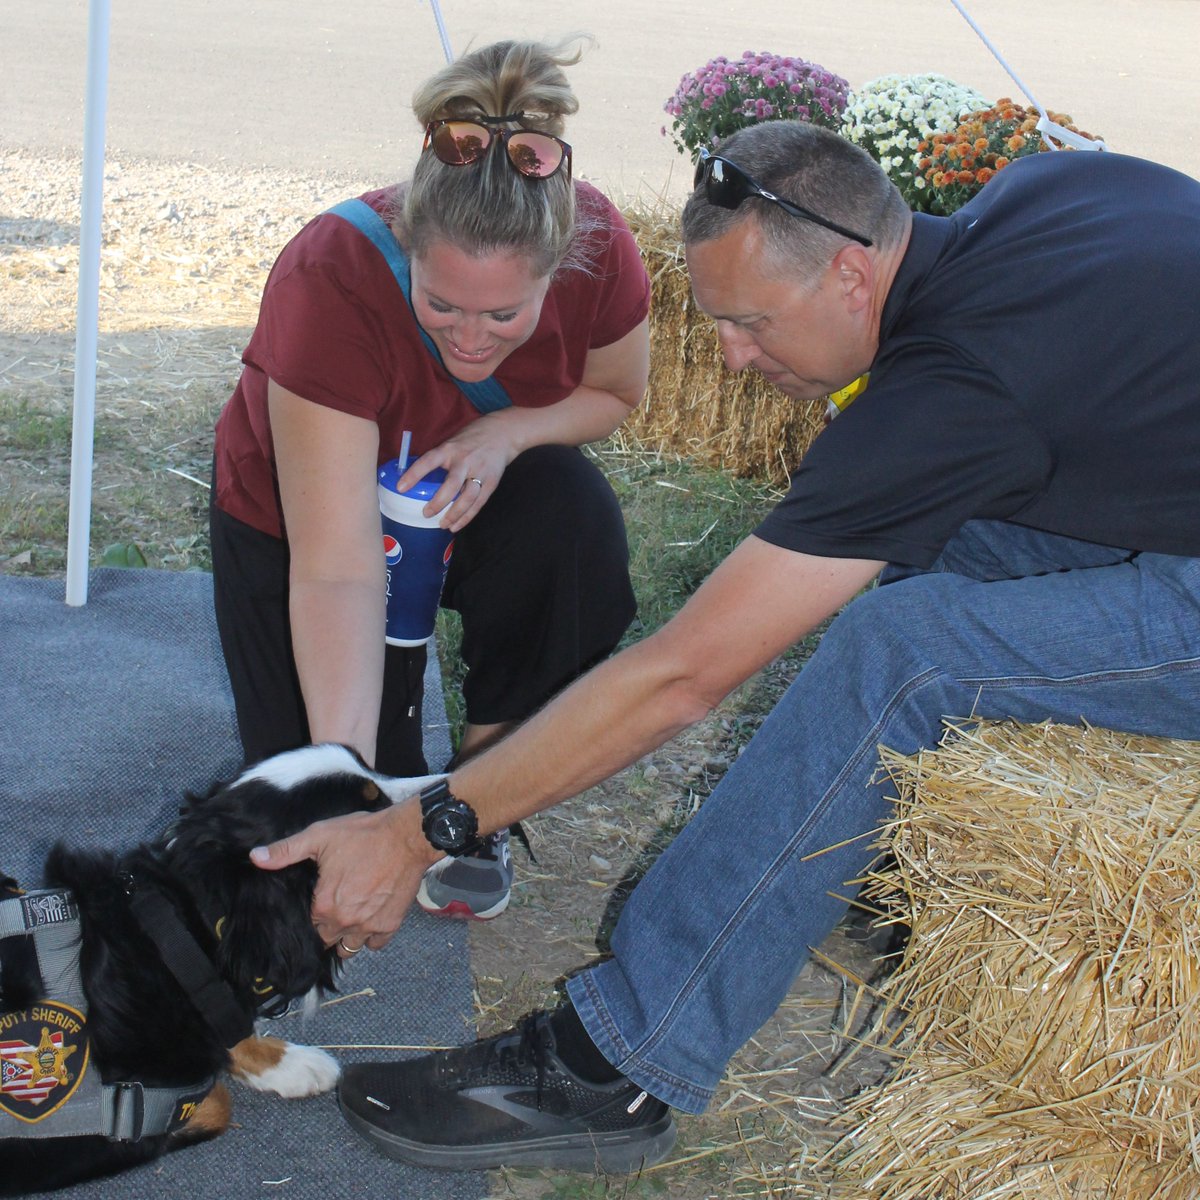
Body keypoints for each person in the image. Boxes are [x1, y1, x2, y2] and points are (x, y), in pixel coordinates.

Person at [251, 119, 1200, 1174]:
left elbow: (682, 676)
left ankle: (617, 1063)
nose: (735, 359)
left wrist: (417, 832)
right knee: (933, 540)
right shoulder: (1044, 192)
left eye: (751, 323)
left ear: (852, 273)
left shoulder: (958, 388)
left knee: (904, 652)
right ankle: (849, 849)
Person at [209, 38, 651, 921]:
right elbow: (337, 571)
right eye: (440, 304)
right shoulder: (328, 276)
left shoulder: (602, 245)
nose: (471, 339)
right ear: (408, 242)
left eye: (504, 313)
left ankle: (477, 799)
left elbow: (614, 392)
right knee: (305, 815)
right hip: (300, 521)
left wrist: (507, 431)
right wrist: (345, 782)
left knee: (572, 520)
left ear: (558, 268)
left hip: (468, 493)